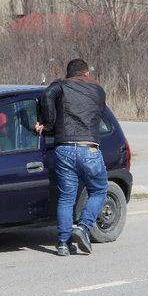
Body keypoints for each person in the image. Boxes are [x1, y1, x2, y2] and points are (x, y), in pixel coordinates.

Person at [35, 59, 108, 256]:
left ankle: (63, 244)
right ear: (86, 74)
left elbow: (47, 95)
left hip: (64, 148)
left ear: (68, 74)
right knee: (100, 189)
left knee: (66, 197)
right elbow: (99, 114)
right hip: (89, 149)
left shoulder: (60, 86)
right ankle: (83, 227)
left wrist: (48, 123)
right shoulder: (98, 90)